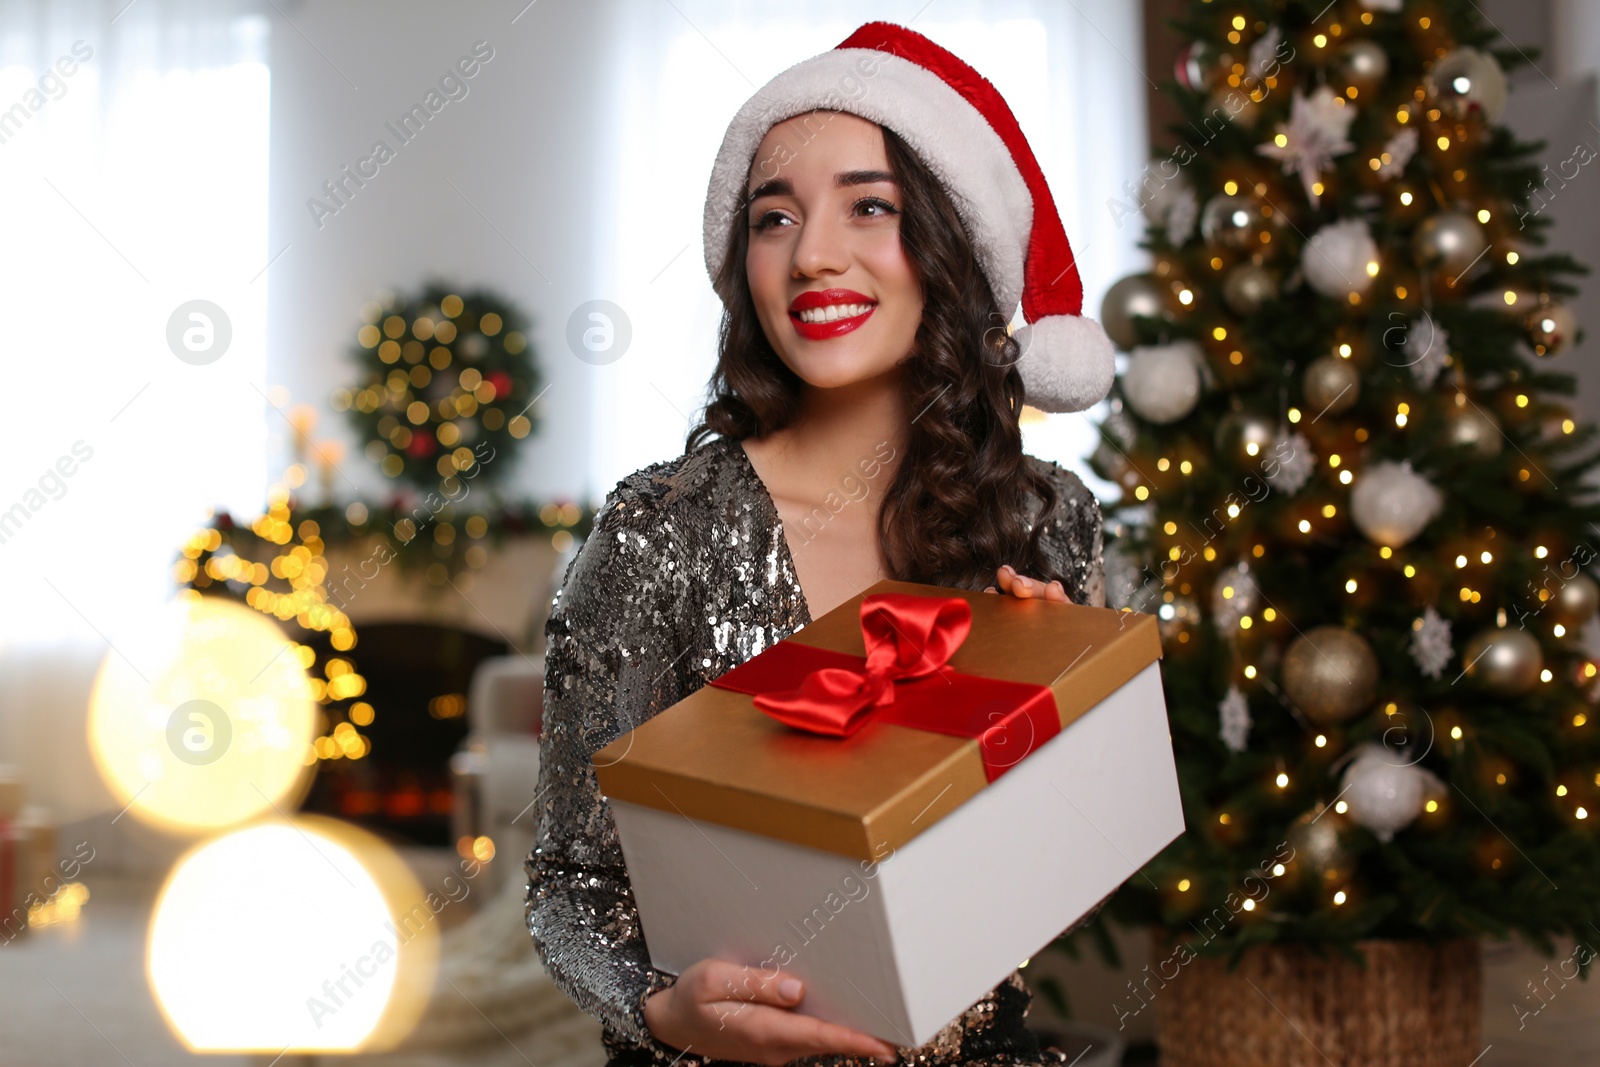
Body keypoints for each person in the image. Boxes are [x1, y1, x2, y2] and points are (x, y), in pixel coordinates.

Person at [526, 20, 1116, 1067]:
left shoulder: (1047, 521)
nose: (811, 254)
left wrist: (1067, 732)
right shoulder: (660, 530)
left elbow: (1066, 876)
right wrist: (663, 1008)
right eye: (773, 217)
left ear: (952, 242)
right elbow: (568, 885)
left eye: (870, 207)